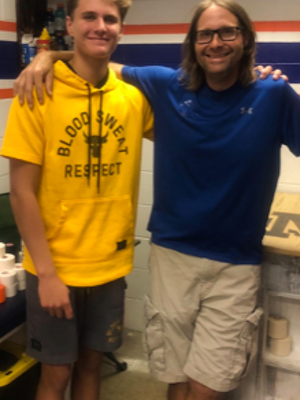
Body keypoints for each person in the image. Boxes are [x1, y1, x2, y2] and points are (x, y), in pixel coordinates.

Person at [12, 1, 299, 400]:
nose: (215, 42)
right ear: (193, 42)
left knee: (193, 383)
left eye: (227, 32)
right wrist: (46, 59)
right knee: (149, 375)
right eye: (205, 34)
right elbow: (97, 62)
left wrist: (273, 79)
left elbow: (101, 61)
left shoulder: (271, 94)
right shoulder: (163, 86)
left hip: (206, 264)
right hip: (156, 257)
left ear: (246, 38)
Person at [0, 1, 153, 400]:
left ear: (122, 28)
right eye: (89, 16)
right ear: (69, 23)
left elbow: (198, 107)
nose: (100, 26)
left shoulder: (134, 98)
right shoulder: (37, 92)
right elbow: (21, 192)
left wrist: (254, 80)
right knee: (56, 375)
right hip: (55, 268)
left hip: (109, 265)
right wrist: (48, 275)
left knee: (91, 366)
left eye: (110, 19)